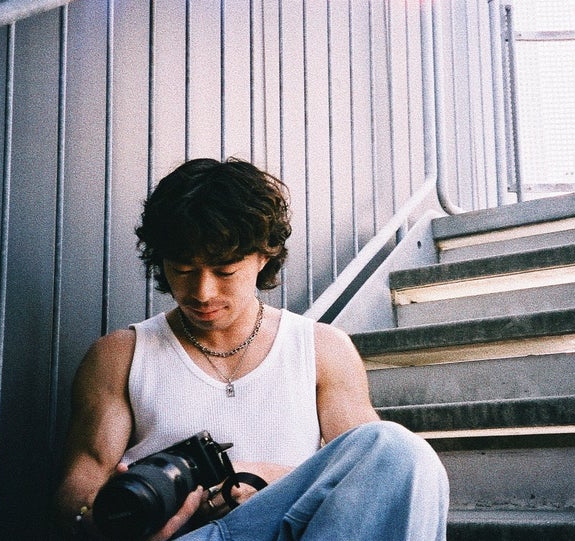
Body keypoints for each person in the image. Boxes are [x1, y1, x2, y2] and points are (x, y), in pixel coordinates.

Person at [54, 157, 449, 540]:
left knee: (399, 450)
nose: (202, 292)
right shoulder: (120, 355)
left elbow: (370, 477)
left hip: (288, 529)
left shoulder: (322, 349)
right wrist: (101, 521)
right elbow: (80, 485)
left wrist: (263, 479)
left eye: (224, 271)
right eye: (183, 270)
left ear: (264, 255)